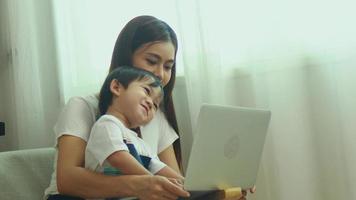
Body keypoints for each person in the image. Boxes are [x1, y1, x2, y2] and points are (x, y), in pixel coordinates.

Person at [44, 15, 253, 200]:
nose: (161, 74)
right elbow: (67, 180)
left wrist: (218, 190)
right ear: (125, 59)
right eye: (152, 61)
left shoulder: (155, 118)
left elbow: (172, 184)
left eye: (168, 66)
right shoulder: (83, 107)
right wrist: (143, 184)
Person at [85, 66, 184, 200]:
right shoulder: (106, 124)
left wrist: (186, 185)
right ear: (116, 87)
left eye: (155, 105)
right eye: (146, 90)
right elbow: (118, 157)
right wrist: (152, 181)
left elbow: (159, 168)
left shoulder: (141, 144)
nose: (150, 103)